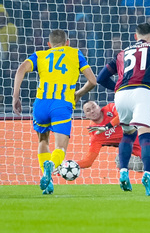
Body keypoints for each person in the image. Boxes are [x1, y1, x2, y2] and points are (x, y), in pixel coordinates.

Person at [96, 23, 150, 196]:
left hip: (121, 95)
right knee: (146, 135)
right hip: (143, 93)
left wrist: (118, 89)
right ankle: (148, 175)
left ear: (135, 37)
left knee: (128, 134)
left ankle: (123, 172)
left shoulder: (122, 53)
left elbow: (101, 78)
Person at [12, 29, 97, 194]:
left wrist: (16, 97)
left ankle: (47, 177)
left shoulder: (40, 55)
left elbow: (21, 69)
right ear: (67, 42)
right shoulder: (75, 53)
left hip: (41, 104)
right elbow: (92, 80)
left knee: (43, 141)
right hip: (62, 104)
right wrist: (78, 94)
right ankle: (51, 166)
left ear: (48, 44)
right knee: (60, 147)